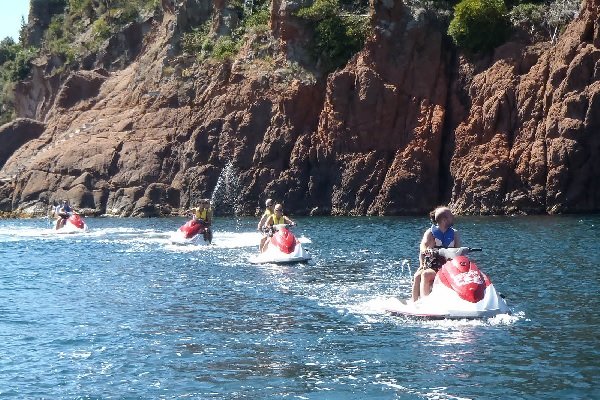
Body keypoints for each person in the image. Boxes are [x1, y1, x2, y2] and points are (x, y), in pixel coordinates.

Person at [411, 206, 461, 302]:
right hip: (433, 265)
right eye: (451, 216)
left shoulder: (455, 233)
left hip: (450, 266)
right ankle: (421, 302)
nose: (453, 217)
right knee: (421, 275)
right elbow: (423, 245)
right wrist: (426, 250)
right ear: (444, 220)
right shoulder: (430, 233)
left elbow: (459, 250)